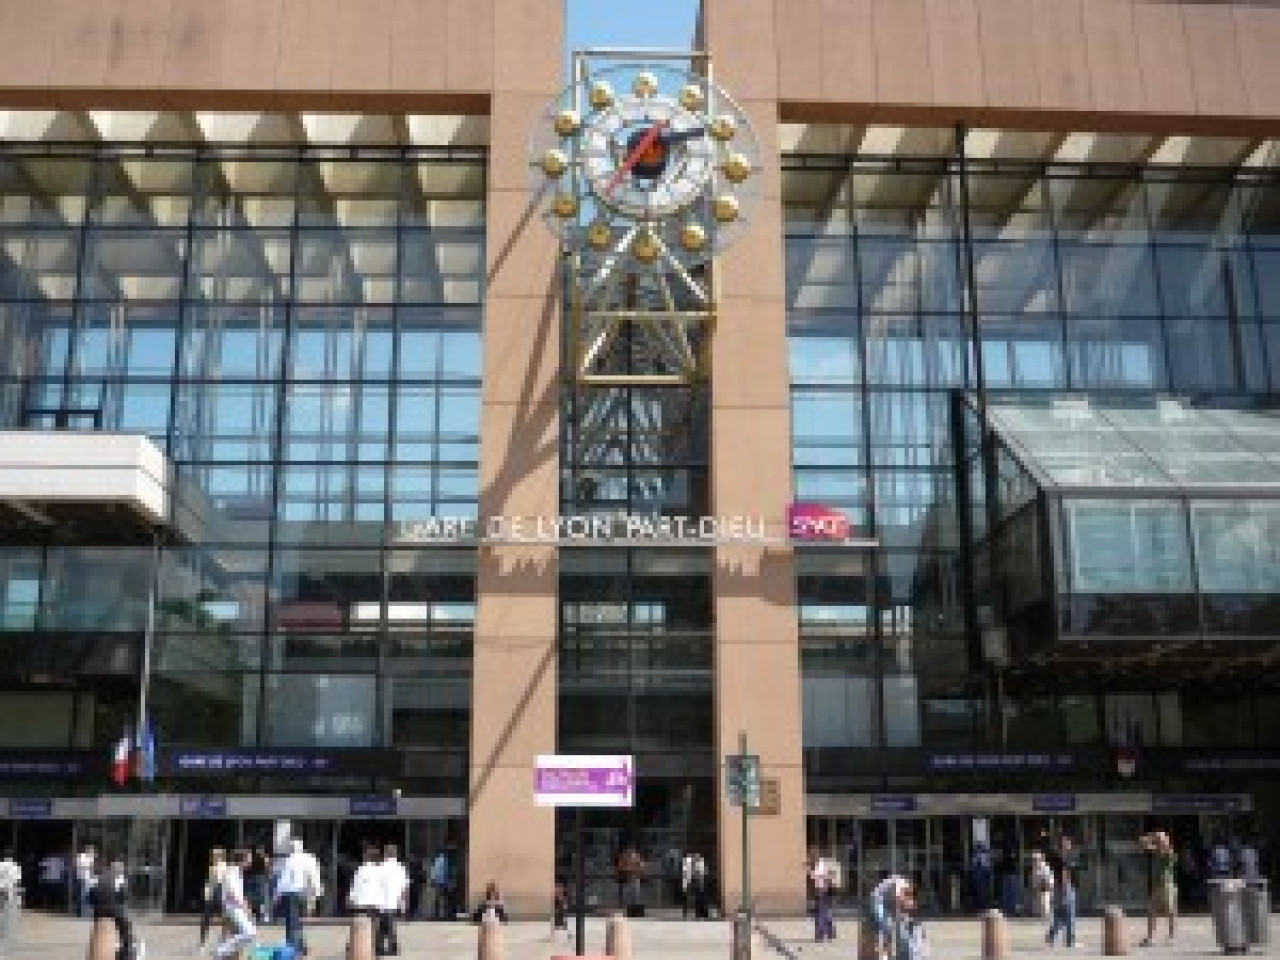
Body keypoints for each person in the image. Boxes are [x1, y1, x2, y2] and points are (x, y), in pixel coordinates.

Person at [276, 838, 323, 957]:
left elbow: (283, 880)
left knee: (291, 923)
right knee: (297, 922)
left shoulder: (288, 860)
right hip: (302, 893)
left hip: (289, 893)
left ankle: (293, 950)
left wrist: (277, 895)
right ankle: (301, 947)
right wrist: (315, 895)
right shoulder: (309, 858)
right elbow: (314, 877)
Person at [214, 849, 256, 960]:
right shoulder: (232, 872)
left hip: (236, 907)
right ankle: (222, 950)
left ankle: (226, 953)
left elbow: (240, 893)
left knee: (237, 933)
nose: (251, 861)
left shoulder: (238, 872)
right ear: (242, 860)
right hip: (233, 907)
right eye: (249, 858)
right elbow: (232, 892)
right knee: (249, 932)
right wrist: (244, 906)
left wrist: (246, 906)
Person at [1139, 831, 1177, 948]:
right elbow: (1142, 841)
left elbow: (1164, 846)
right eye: (1158, 840)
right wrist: (1152, 836)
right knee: (1151, 911)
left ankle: (1171, 937)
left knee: (1170, 911)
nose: (1159, 841)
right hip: (1156, 885)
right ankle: (1150, 937)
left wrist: (1158, 837)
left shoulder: (1169, 851)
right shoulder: (1156, 851)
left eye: (1161, 840)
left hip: (1167, 884)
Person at [865, 875, 913, 960]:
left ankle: (887, 952)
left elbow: (898, 904)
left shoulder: (900, 885)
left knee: (890, 928)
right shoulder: (901, 883)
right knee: (886, 926)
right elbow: (897, 900)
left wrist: (901, 916)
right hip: (877, 900)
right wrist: (899, 915)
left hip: (883, 902)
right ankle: (884, 954)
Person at [376, 843, 409, 957]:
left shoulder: (379, 868)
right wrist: (404, 904)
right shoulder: (400, 868)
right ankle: (391, 947)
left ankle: (381, 947)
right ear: (395, 854)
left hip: (381, 901)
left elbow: (376, 885)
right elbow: (404, 888)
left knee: (382, 925)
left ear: (385, 854)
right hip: (394, 901)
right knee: (389, 925)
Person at [1045, 838, 1079, 950]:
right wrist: (1065, 891)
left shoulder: (1056, 858)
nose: (1069, 846)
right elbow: (1064, 874)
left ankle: (1051, 936)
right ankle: (1070, 941)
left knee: (1059, 915)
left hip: (1058, 887)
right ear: (1063, 846)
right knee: (1070, 915)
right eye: (1067, 844)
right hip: (1065, 888)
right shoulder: (1064, 859)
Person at [196, 847, 227, 954]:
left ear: (220, 855)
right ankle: (202, 943)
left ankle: (223, 942)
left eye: (215, 854)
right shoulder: (212, 867)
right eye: (213, 855)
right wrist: (207, 892)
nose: (213, 857)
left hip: (221, 892)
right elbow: (209, 882)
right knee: (206, 918)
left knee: (225, 919)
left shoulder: (225, 867)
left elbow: (225, 881)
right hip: (212, 892)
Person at [807, 851, 836, 942]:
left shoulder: (821, 866)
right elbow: (812, 880)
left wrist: (824, 878)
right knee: (824, 912)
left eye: (812, 858)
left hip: (823, 891)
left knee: (821, 913)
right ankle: (829, 933)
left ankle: (822, 934)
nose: (811, 860)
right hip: (820, 891)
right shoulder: (814, 867)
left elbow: (830, 875)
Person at [244, 847, 269, 923]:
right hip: (258, 877)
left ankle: (254, 914)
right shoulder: (263, 858)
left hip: (252, 876)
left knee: (252, 897)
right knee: (260, 897)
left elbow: (247, 866)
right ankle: (260, 915)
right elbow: (267, 867)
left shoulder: (251, 857)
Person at [428, 848, 451, 921]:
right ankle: (443, 915)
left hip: (437, 882)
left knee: (437, 900)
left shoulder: (436, 861)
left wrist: (432, 880)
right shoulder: (445, 861)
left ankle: (436, 915)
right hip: (443, 883)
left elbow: (434, 872)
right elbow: (447, 872)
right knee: (443, 900)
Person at [1029, 850, 1054, 919]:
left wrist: (1043, 887)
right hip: (1038, 890)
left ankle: (1046, 920)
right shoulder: (1035, 868)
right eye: (1034, 859)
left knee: (1045, 906)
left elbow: (1048, 879)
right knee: (1038, 907)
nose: (1034, 860)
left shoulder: (1045, 867)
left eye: (1036, 859)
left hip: (1045, 889)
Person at [74, 845, 96, 918]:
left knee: (87, 896)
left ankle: (86, 911)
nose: (93, 854)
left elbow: (91, 870)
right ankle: (80, 913)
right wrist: (89, 863)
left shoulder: (90, 859)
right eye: (92, 852)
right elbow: (80, 866)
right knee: (82, 896)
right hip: (81, 878)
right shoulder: (81, 857)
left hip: (88, 879)